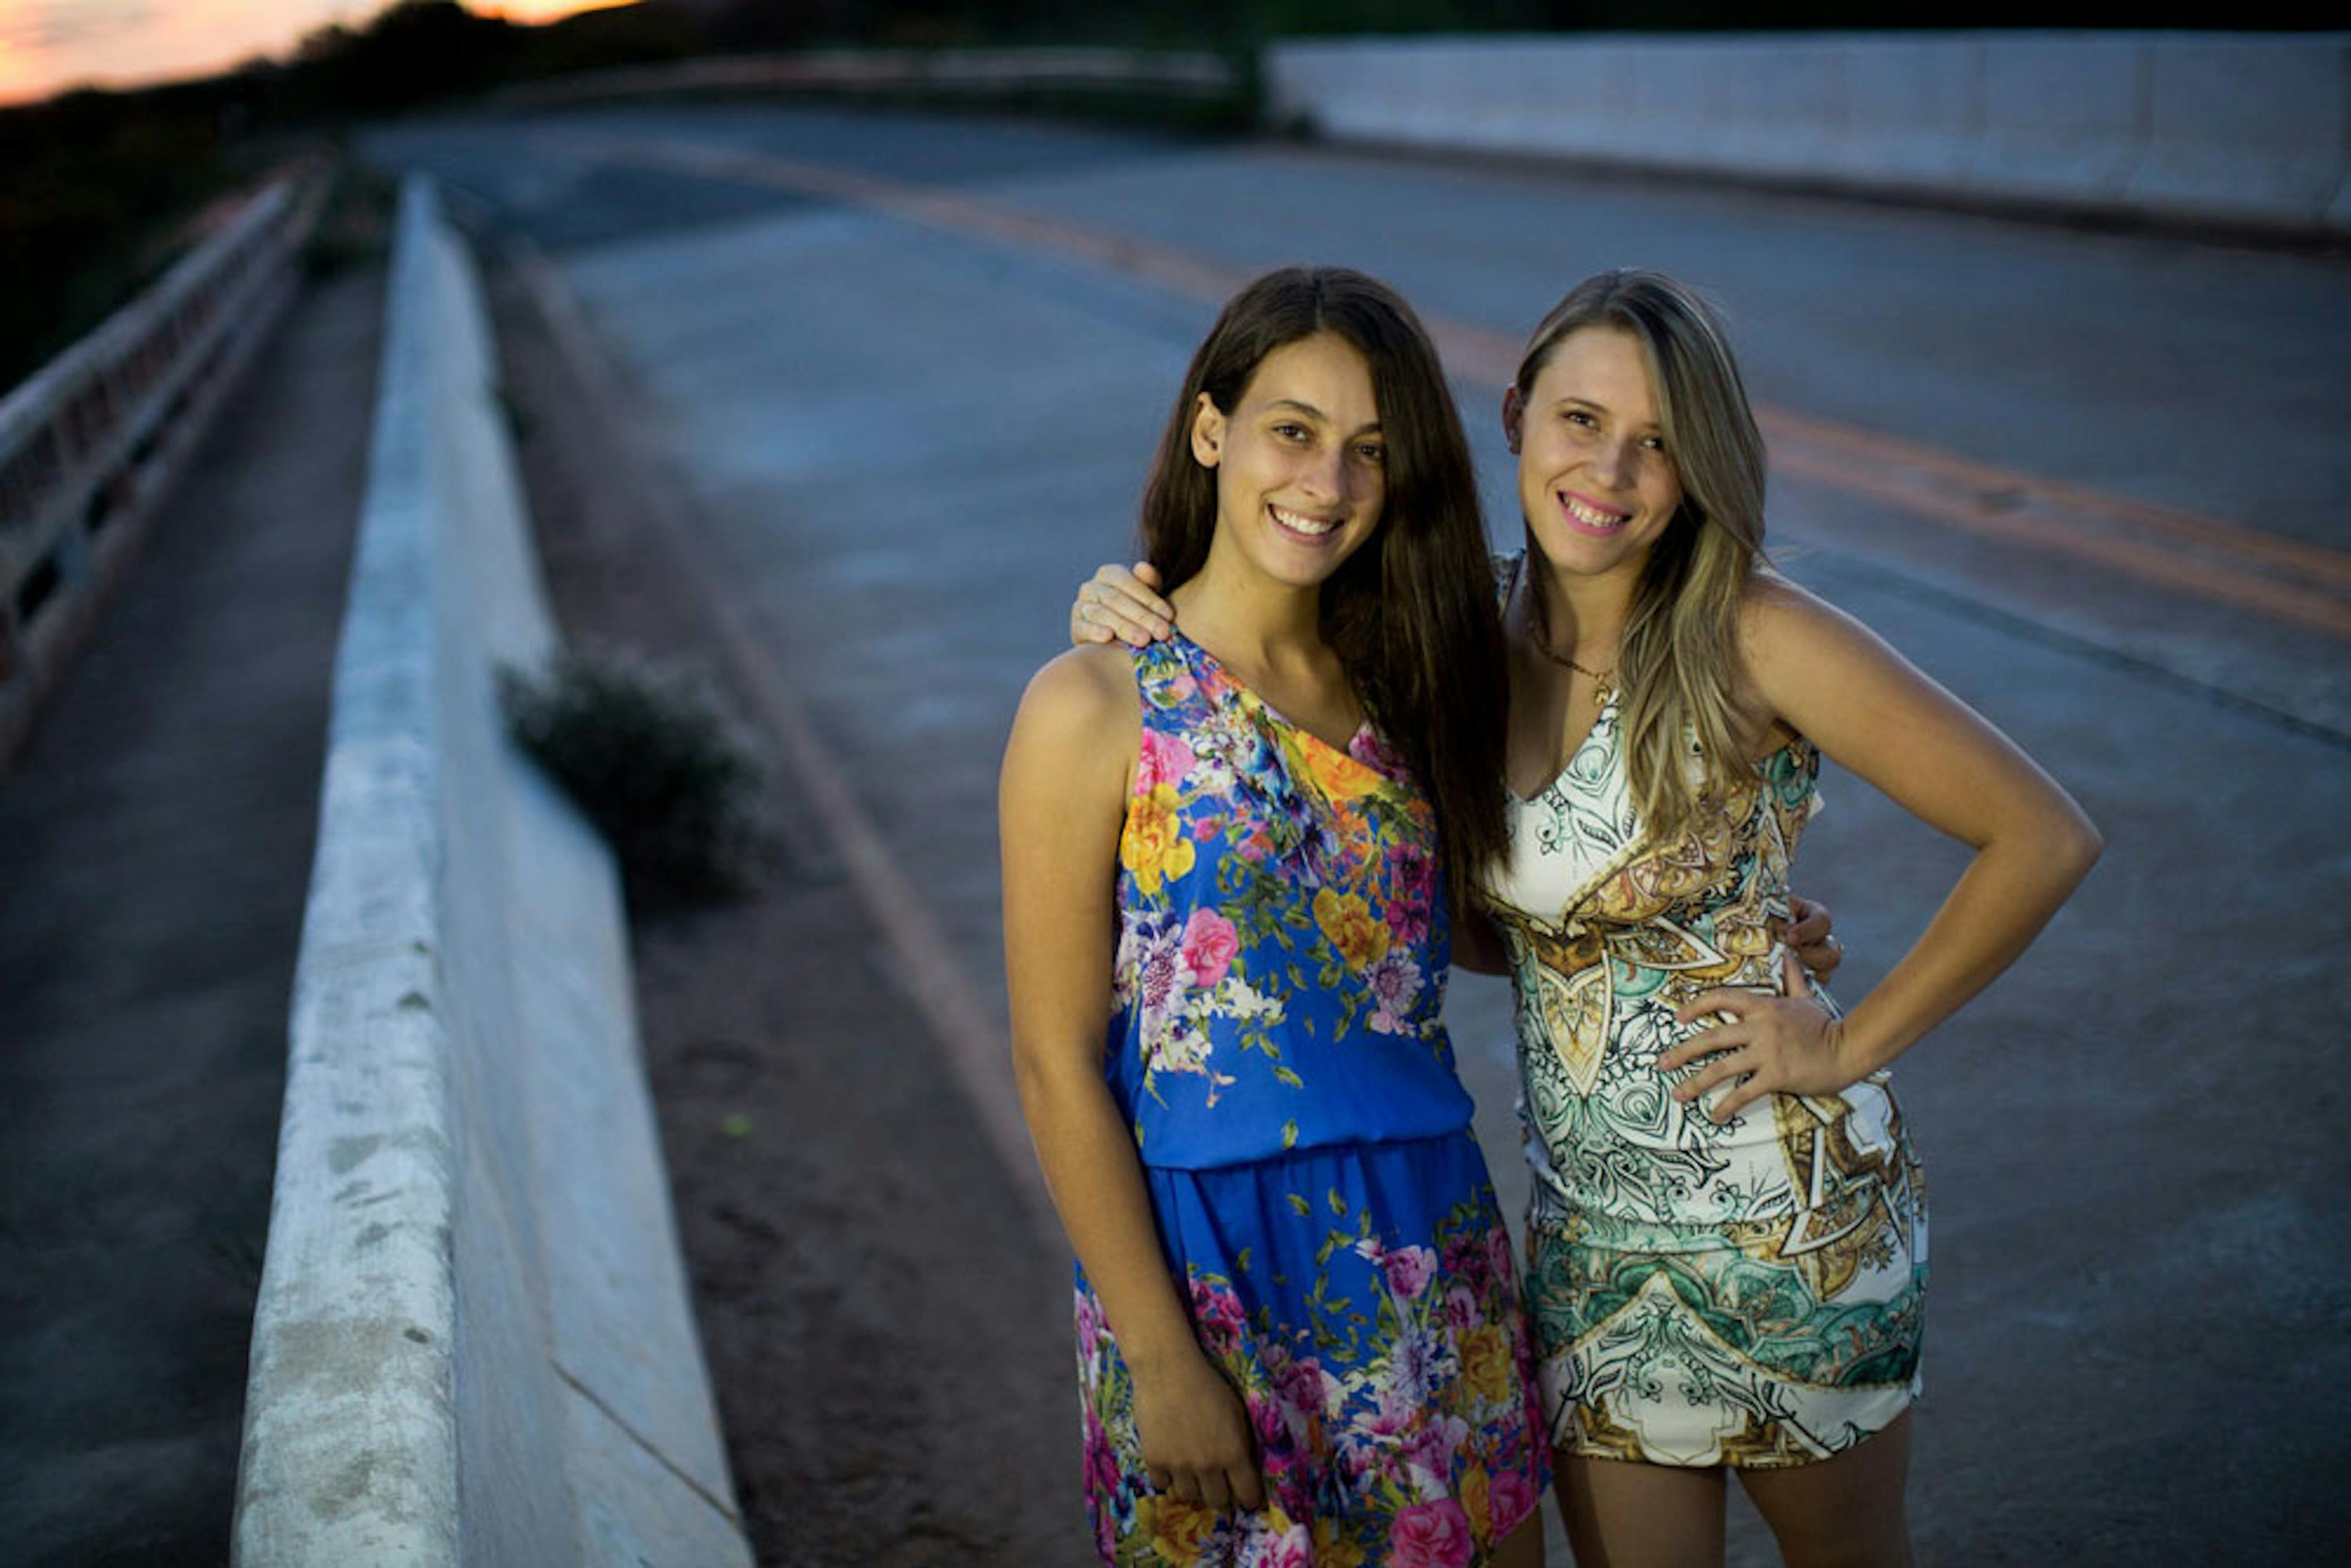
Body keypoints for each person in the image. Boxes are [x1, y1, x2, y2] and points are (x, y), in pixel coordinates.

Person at [1068, 269, 2102, 1568]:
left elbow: (2042, 833)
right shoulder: (1449, 640)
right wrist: (1122, 603)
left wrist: (1843, 1044)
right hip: (1586, 1246)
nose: (1611, 468)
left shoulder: (1751, 634)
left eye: (1659, 441)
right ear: (1514, 416)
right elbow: (1372, 878)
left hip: (1783, 1234)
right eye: (1581, 420)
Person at [1000, 266, 1552, 1567]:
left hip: (1431, 1231)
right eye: (1291, 430)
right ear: (1212, 432)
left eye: (1370, 450)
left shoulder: (1415, 669)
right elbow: (1051, 1058)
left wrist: (1726, 917)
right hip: (1211, 1270)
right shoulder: (1095, 703)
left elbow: (1469, 931)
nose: (1326, 482)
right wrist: (1156, 1354)